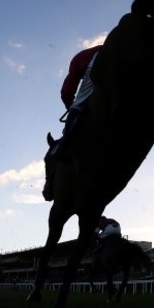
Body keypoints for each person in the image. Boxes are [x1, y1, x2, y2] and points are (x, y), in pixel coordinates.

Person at [42, 45, 103, 201]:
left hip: (99, 62)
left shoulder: (78, 60)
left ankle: (62, 149)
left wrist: (71, 106)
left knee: (78, 104)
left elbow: (67, 91)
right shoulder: (90, 53)